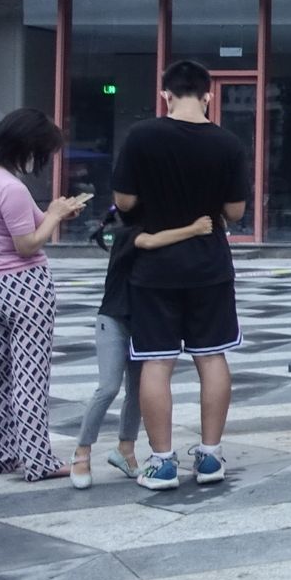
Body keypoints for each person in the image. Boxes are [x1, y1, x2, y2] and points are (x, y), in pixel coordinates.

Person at [112, 60, 248, 491]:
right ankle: (209, 457)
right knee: (212, 357)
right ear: (208, 95)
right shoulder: (227, 143)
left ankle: (162, 462)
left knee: (157, 361)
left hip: (155, 266)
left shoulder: (141, 136)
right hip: (209, 264)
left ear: (165, 94)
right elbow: (234, 212)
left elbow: (125, 200)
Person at [0, 110, 87, 482]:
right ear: (26, 147)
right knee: (29, 375)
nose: (41, 160)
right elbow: (27, 244)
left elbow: (22, 226)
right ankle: (38, 461)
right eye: (42, 152)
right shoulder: (11, 188)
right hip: (24, 287)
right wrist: (55, 215)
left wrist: (56, 213)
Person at [72, 208, 216, 489]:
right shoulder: (128, 234)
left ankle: (125, 450)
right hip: (113, 321)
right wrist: (195, 228)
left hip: (143, 321)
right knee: (109, 387)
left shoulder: (150, 235)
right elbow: (150, 241)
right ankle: (82, 452)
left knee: (139, 391)